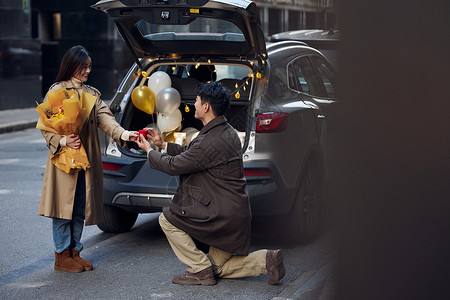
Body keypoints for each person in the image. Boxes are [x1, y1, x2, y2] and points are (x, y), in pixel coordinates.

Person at [136, 81, 285, 286]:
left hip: (220, 215)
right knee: (217, 269)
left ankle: (198, 269)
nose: (194, 104)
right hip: (234, 212)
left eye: (196, 101)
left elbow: (175, 165)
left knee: (166, 219)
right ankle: (266, 261)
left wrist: (150, 151)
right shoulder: (226, 131)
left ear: (206, 107)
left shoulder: (209, 140)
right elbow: (192, 155)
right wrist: (163, 144)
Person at [38, 45, 138, 273]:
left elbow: (106, 119)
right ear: (72, 65)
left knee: (80, 207)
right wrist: (63, 142)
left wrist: (125, 134)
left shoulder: (92, 94)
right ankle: (62, 256)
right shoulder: (57, 91)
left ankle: (74, 252)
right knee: (64, 208)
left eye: (90, 67)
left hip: (87, 160)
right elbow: (47, 127)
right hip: (64, 160)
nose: (87, 71)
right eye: (84, 67)